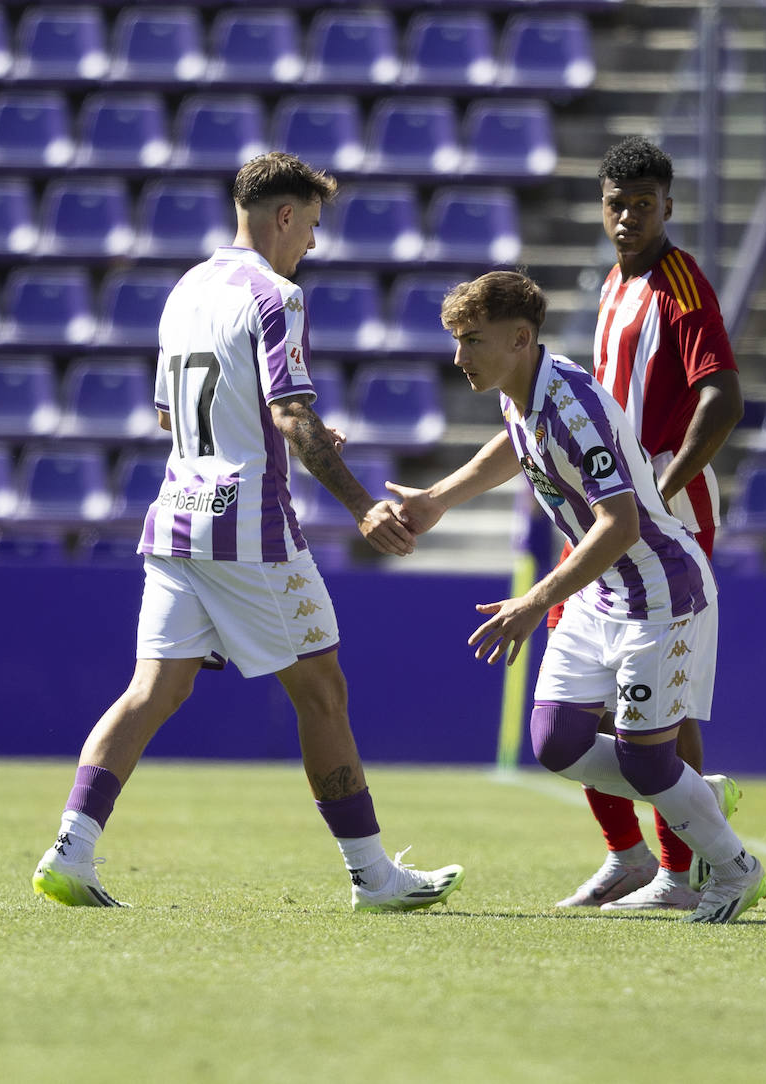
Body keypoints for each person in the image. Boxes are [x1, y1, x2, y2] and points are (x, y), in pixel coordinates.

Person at [31, 152, 464, 913]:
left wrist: (272, 420)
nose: (314, 247)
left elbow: (171, 415)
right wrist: (363, 504)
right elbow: (290, 418)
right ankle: (372, 876)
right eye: (312, 228)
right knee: (323, 693)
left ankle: (70, 850)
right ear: (285, 216)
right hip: (247, 526)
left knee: (151, 691)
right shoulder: (279, 296)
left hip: (175, 518)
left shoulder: (186, 289)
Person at [386, 270, 766, 924]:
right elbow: (514, 446)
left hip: (661, 593)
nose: (459, 357)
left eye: (472, 341)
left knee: (647, 763)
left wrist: (533, 602)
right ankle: (694, 794)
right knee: (556, 741)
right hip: (604, 595)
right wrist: (438, 499)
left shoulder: (572, 408)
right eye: (457, 341)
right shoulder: (519, 389)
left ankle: (736, 870)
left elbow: (618, 526)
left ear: (520, 337)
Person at [548, 136, 746, 912]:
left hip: (667, 518)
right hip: (607, 513)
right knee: (578, 698)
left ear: (668, 205)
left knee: (658, 705)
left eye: (642, 204)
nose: (628, 218)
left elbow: (722, 397)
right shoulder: (612, 282)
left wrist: (662, 490)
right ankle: (630, 855)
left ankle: (679, 866)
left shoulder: (680, 284)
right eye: (616, 205)